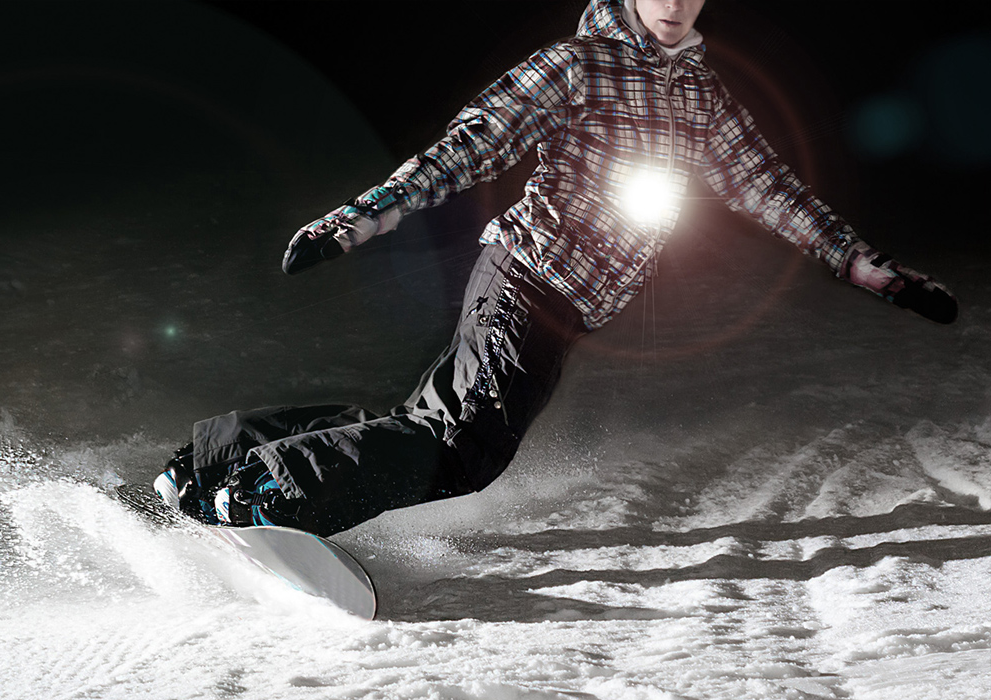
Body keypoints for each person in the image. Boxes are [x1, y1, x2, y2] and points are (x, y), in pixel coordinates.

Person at [153, 0, 958, 534]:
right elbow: (475, 142)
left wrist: (864, 265)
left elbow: (766, 186)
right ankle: (263, 491)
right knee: (460, 448)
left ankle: (219, 457)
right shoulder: (578, 63)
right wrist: (364, 216)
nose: (674, 3)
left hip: (559, 305)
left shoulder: (701, 96)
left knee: (430, 424)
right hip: (526, 278)